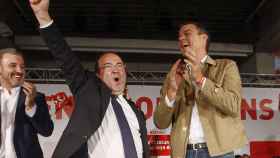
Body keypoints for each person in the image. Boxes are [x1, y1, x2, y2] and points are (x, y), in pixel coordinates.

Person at [29, 0, 150, 158]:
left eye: (120, 65)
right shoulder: (90, 92)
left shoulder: (136, 111)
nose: (116, 69)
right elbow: (66, 58)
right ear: (98, 75)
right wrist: (42, 15)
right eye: (108, 65)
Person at [154, 21, 248, 158]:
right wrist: (171, 93)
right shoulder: (174, 74)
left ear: (203, 38)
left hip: (219, 153)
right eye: (179, 37)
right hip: (184, 153)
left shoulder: (226, 66)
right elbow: (160, 123)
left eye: (187, 34)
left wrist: (200, 79)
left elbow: (233, 105)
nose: (181, 39)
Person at [0, 47, 54, 158]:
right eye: (13, 65)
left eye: (22, 67)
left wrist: (30, 106)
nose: (19, 71)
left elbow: (47, 131)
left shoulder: (36, 97)